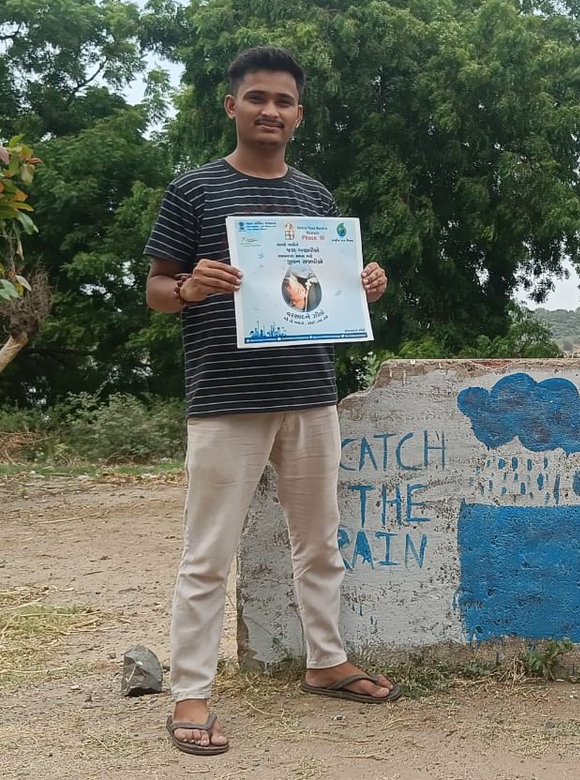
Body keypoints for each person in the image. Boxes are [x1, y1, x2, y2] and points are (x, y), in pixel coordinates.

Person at [145, 46, 398, 756]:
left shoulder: (315, 199)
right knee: (208, 552)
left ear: (299, 115)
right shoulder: (193, 191)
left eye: (283, 101)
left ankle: (326, 660)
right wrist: (189, 287)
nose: (270, 110)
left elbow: (327, 292)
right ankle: (190, 692)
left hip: (311, 394)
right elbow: (157, 291)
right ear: (232, 105)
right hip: (226, 399)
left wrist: (363, 285)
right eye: (257, 97)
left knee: (320, 541)